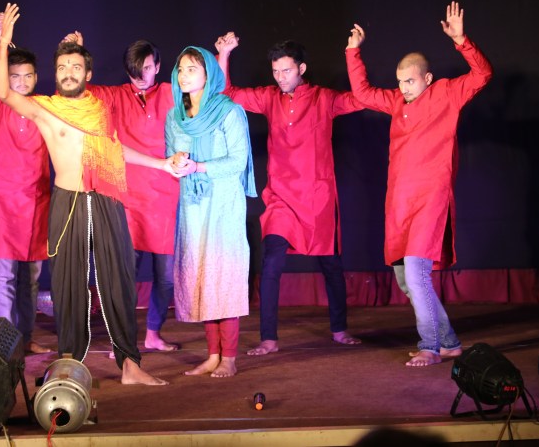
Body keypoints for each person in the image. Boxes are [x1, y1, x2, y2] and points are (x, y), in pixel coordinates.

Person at [0, 3, 174, 385]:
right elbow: (1, 91)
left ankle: (130, 365)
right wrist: (4, 41)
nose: (68, 73)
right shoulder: (45, 108)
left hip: (106, 199)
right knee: (67, 285)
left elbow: (116, 151)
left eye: (76, 67)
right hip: (68, 201)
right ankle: (69, 362)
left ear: (88, 74)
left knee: (119, 281)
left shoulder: (99, 110)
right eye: (62, 67)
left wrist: (161, 164)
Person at [345, 1, 493, 366]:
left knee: (416, 274)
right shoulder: (397, 101)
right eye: (400, 81)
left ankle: (429, 346)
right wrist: (353, 52)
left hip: (430, 198)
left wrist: (461, 41)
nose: (403, 87)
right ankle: (449, 342)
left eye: (409, 81)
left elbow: (482, 75)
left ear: (427, 78)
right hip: (399, 203)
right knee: (406, 281)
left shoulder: (446, 93)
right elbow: (363, 93)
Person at [216, 34, 364, 356]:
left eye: (286, 71)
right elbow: (227, 93)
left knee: (331, 265)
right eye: (276, 71)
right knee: (271, 265)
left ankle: (340, 329)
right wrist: (224, 54)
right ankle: (269, 338)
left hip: (317, 197)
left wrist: (353, 52)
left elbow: (361, 98)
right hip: (281, 198)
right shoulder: (269, 98)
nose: (281, 78)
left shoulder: (324, 98)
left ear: (301, 69)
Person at [60, 32, 179, 354]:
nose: (141, 78)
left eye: (148, 69)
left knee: (166, 277)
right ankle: (121, 339)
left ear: (158, 66)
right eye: (135, 72)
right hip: (127, 199)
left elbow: (211, 95)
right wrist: (74, 52)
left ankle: (153, 333)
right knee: (122, 276)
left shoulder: (171, 93)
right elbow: (74, 93)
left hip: (165, 198)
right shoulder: (115, 95)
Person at [165, 45, 257, 378]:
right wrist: (177, 163)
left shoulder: (228, 112)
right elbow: (171, 158)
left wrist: (199, 166)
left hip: (223, 205)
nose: (184, 75)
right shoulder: (175, 117)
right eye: (180, 69)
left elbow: (238, 161)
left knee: (223, 275)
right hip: (193, 206)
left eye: (192, 69)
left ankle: (229, 357)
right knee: (201, 275)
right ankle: (212, 355)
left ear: (209, 74)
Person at [0, 21, 53, 355]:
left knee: (29, 280)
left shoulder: (44, 108)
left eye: (27, 76)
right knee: (3, 277)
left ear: (36, 77)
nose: (21, 82)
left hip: (35, 204)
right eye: (14, 76)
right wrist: (1, 41)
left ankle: (26, 338)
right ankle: (6, 344)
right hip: (1, 206)